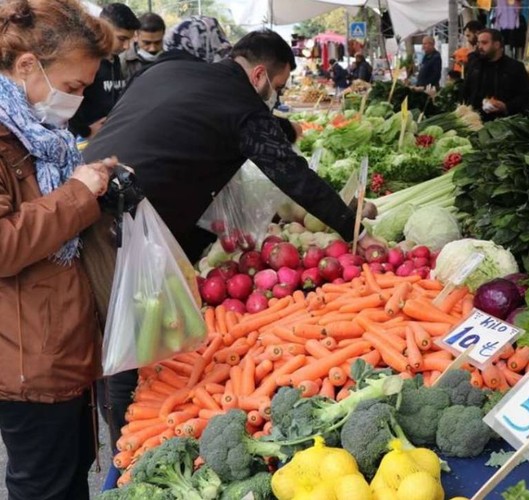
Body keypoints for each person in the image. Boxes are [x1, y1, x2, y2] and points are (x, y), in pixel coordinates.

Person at [83, 29, 380, 456]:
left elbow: (187, 120)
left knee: (105, 333)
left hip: (84, 196)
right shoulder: (240, 103)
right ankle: (128, 451)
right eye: (277, 88)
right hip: (119, 225)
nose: (274, 97)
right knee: (129, 337)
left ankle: (122, 431)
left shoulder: (172, 70)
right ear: (259, 74)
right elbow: (290, 173)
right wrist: (350, 225)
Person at [0, 0, 118, 498]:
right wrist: (78, 193)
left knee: (71, 480)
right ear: (28, 66)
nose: (77, 100)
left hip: (65, 345)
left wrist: (98, 184)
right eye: (73, 87)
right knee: (45, 486)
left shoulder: (42, 134)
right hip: (29, 362)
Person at [68, 2, 138, 139]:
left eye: (129, 40)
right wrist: (85, 131)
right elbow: (66, 102)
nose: (127, 46)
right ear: (102, 27)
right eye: (122, 38)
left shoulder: (116, 61)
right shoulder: (84, 60)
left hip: (108, 136)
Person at [462, 29, 529, 121]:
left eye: (484, 43)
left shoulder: (515, 67)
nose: (479, 47)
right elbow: (465, 92)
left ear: (497, 45)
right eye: (479, 43)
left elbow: (526, 97)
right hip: (474, 122)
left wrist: (505, 106)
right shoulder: (475, 65)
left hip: (503, 125)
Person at [120, 12, 165, 81]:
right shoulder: (123, 62)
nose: (152, 49)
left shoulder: (170, 60)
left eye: (157, 42)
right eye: (147, 43)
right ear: (136, 36)